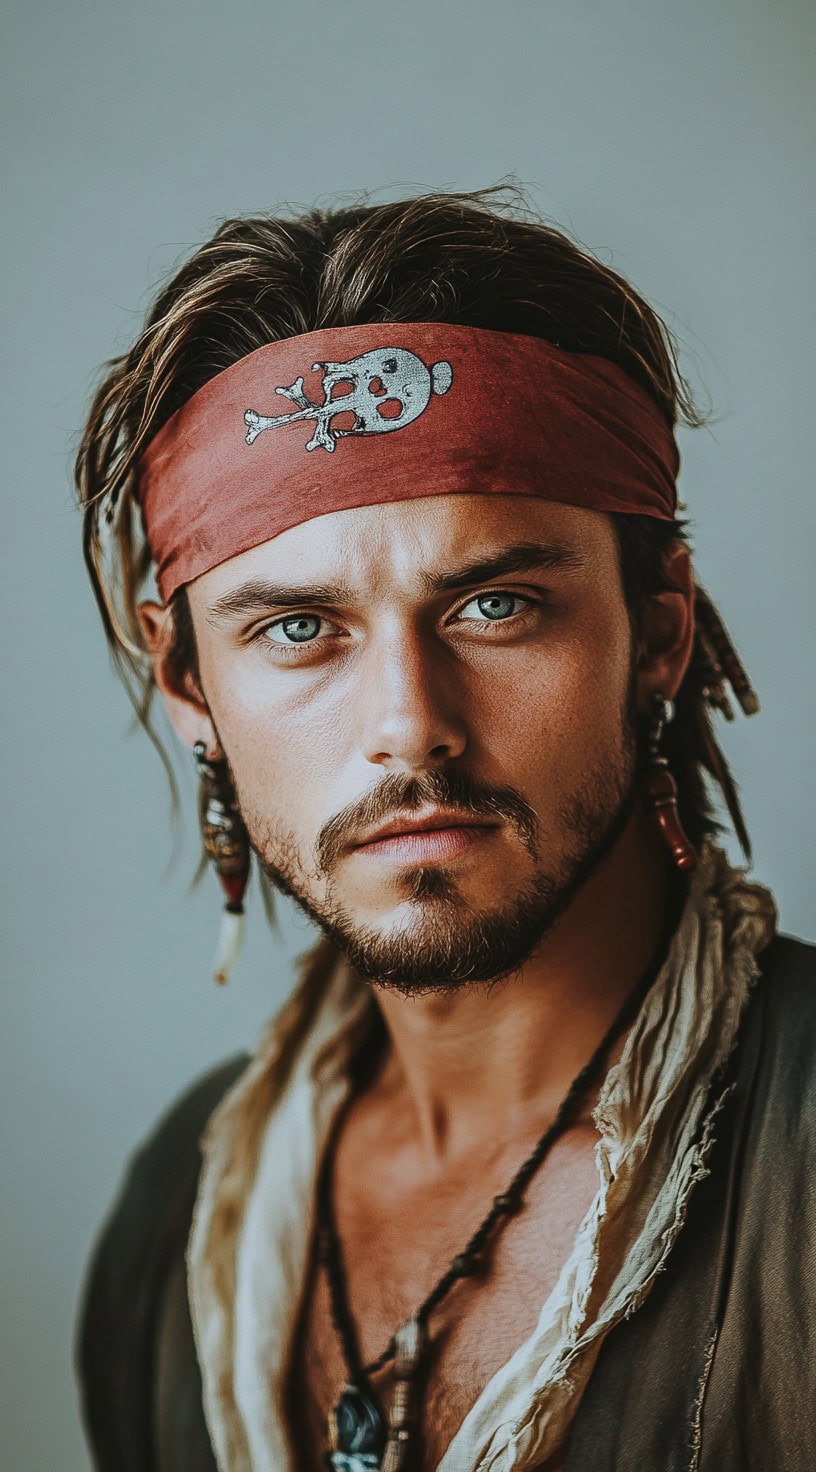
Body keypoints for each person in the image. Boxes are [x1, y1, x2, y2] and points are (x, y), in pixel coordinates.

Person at [74, 189, 815, 1472]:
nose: (410, 727)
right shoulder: (180, 1220)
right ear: (188, 683)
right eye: (298, 627)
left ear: (660, 629)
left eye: (497, 604)